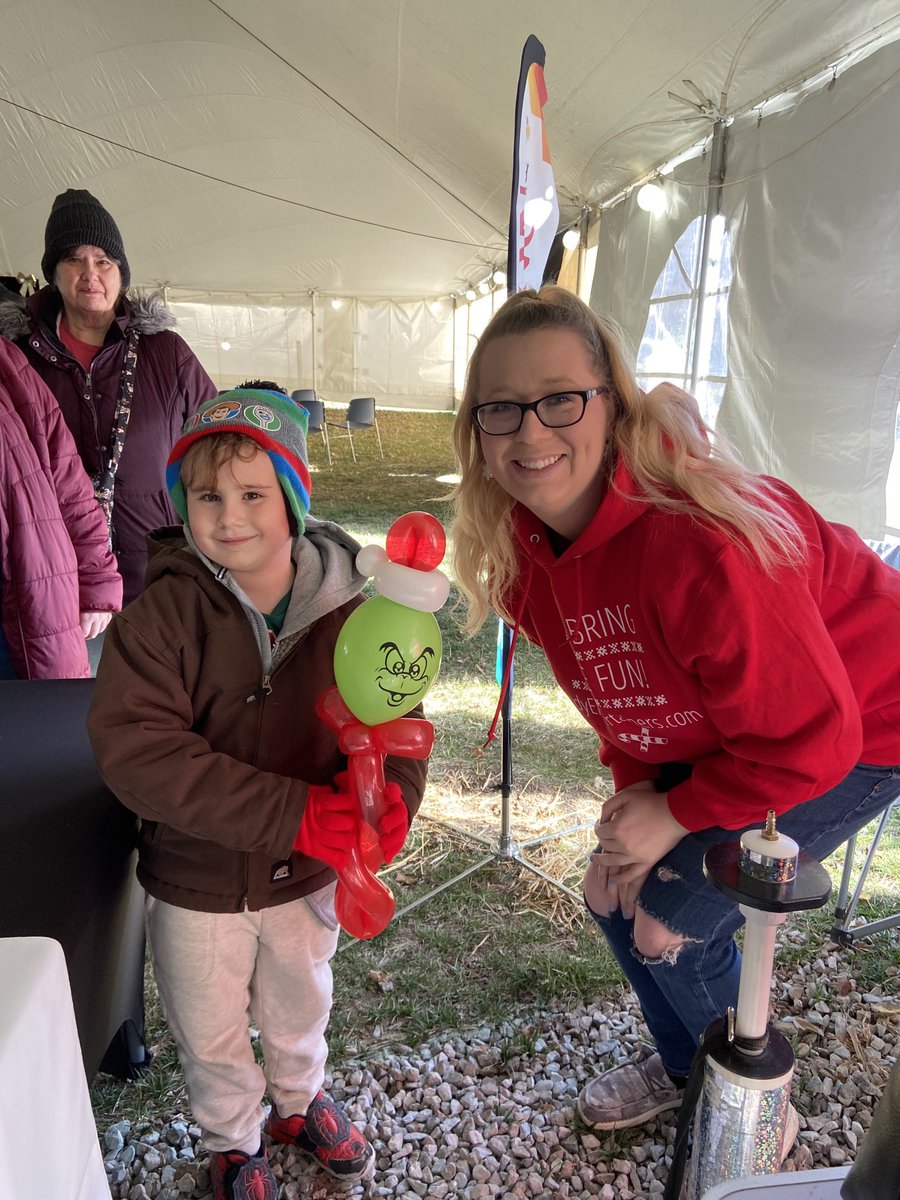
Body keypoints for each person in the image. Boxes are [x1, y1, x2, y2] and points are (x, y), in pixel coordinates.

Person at [450, 286, 900, 1142]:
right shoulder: (522, 557)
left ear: (610, 405)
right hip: (750, 732)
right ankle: (689, 1062)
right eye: (500, 409)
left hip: (863, 725)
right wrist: (637, 800)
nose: (530, 432)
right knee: (609, 887)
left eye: (559, 400)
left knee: (667, 922)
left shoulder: (701, 543)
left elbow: (814, 739)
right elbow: (621, 693)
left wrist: (679, 812)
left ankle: (749, 1109)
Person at [88, 386, 426, 1200]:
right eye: (207, 496)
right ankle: (234, 1143)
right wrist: (299, 812)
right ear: (182, 505)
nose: (229, 516)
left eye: (253, 494)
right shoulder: (161, 618)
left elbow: (398, 712)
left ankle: (298, 1101)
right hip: (197, 880)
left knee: (301, 1001)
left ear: (294, 500)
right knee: (207, 1030)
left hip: (309, 876)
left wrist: (394, 803)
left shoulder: (354, 610)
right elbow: (138, 753)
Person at [0, 188, 217, 607]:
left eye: (103, 260)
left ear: (121, 272)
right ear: (53, 273)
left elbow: (216, 440)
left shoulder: (166, 352)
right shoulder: (18, 359)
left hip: (158, 571)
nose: (89, 273)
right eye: (73, 259)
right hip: (54, 575)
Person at [0, 337, 121, 678]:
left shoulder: (8, 363)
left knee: (41, 722)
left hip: (30, 596)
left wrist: (96, 577)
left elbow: (69, 484)